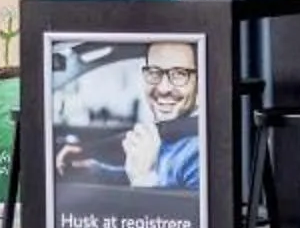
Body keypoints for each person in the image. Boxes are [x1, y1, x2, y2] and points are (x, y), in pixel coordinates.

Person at [55, 39, 205, 189]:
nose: (163, 88)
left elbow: (178, 211)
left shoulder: (200, 153)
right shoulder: (172, 132)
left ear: (199, 83)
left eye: (179, 74)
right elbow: (139, 174)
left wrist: (143, 177)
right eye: (154, 72)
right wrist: (92, 171)